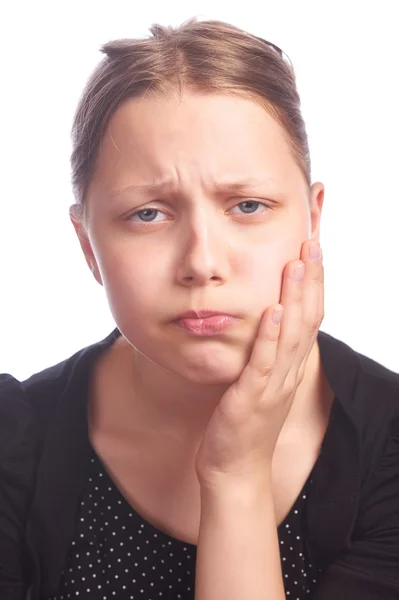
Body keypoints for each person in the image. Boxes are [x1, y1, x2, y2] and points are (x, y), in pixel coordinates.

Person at [1, 17, 398, 600]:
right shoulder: (13, 443)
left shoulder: (388, 448)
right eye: (149, 214)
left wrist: (236, 476)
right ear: (88, 245)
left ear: (312, 220)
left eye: (247, 205)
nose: (202, 262)